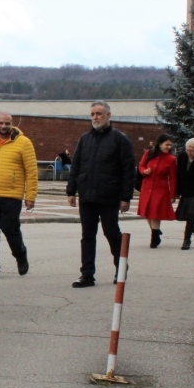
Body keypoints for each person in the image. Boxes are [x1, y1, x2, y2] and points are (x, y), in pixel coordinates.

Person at [66, 101, 134, 288]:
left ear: (108, 116)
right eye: (93, 114)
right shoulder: (84, 139)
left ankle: (121, 269)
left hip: (109, 195)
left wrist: (125, 197)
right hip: (87, 195)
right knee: (87, 235)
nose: (95, 117)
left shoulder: (120, 139)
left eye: (99, 113)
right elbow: (76, 166)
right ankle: (87, 275)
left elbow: (128, 170)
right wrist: (71, 190)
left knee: (112, 234)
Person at [0, 112, 38, 279]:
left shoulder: (24, 143)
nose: (3, 126)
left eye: (7, 123)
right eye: (0, 123)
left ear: (12, 124)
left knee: (11, 230)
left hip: (11, 196)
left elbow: (31, 171)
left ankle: (20, 255)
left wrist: (30, 196)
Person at [137, 134, 177, 248]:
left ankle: (154, 237)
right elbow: (141, 166)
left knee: (155, 213)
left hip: (161, 189)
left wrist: (172, 195)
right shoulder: (149, 153)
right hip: (147, 186)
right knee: (147, 213)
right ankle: (156, 231)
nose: (169, 147)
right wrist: (145, 171)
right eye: (166, 144)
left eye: (170, 145)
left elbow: (173, 178)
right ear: (160, 144)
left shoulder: (171, 159)